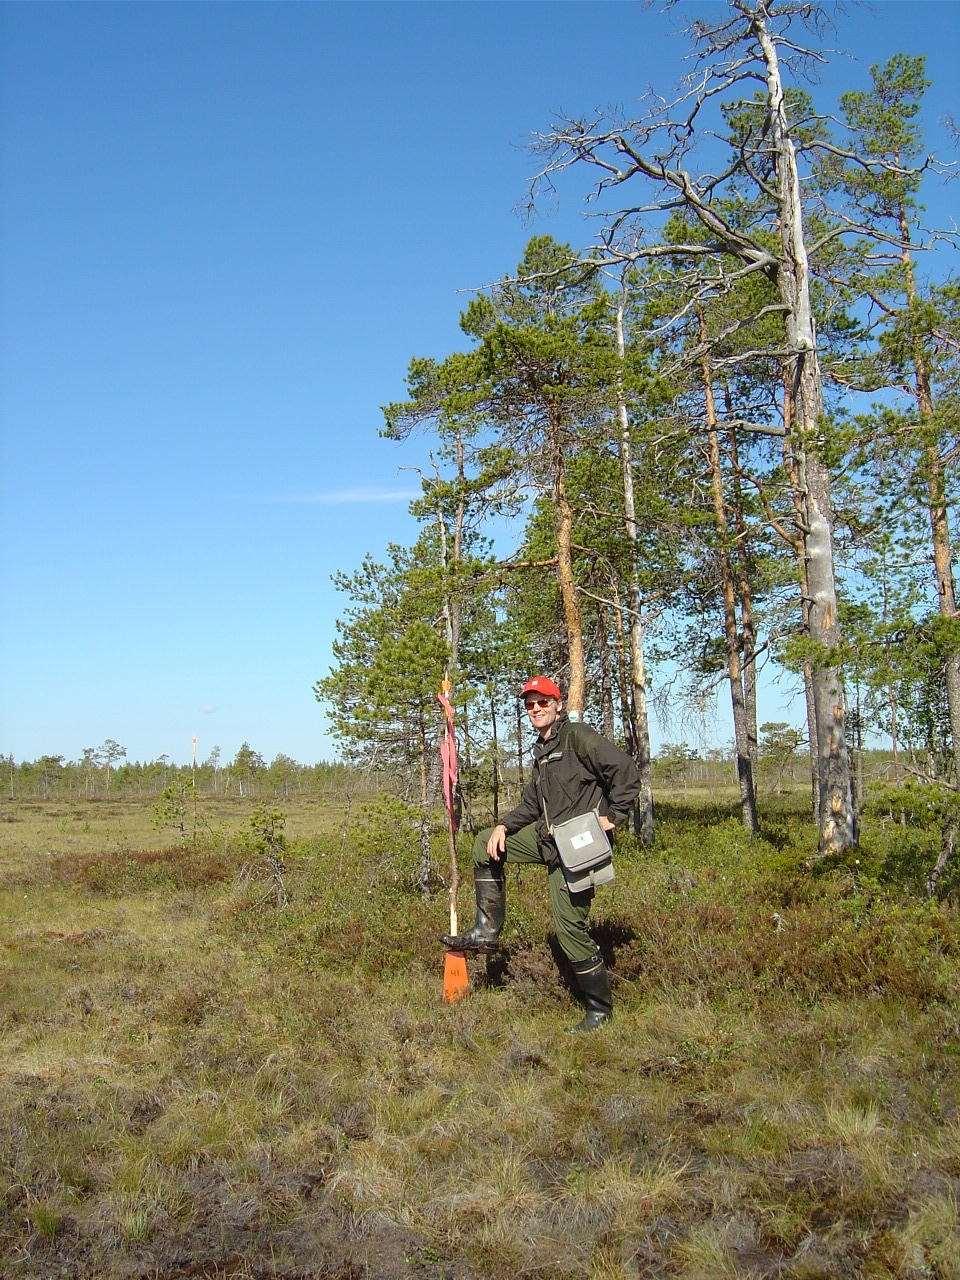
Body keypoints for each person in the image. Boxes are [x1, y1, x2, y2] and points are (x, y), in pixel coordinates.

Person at [443, 675, 641, 1031]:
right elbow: (533, 804)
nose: (535, 709)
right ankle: (487, 931)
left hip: (577, 849)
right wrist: (504, 826)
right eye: (530, 705)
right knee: (483, 843)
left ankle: (599, 1010)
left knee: (569, 930)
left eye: (542, 702)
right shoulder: (543, 750)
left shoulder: (577, 737)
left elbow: (625, 770)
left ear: (558, 704)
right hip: (548, 840)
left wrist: (613, 815)